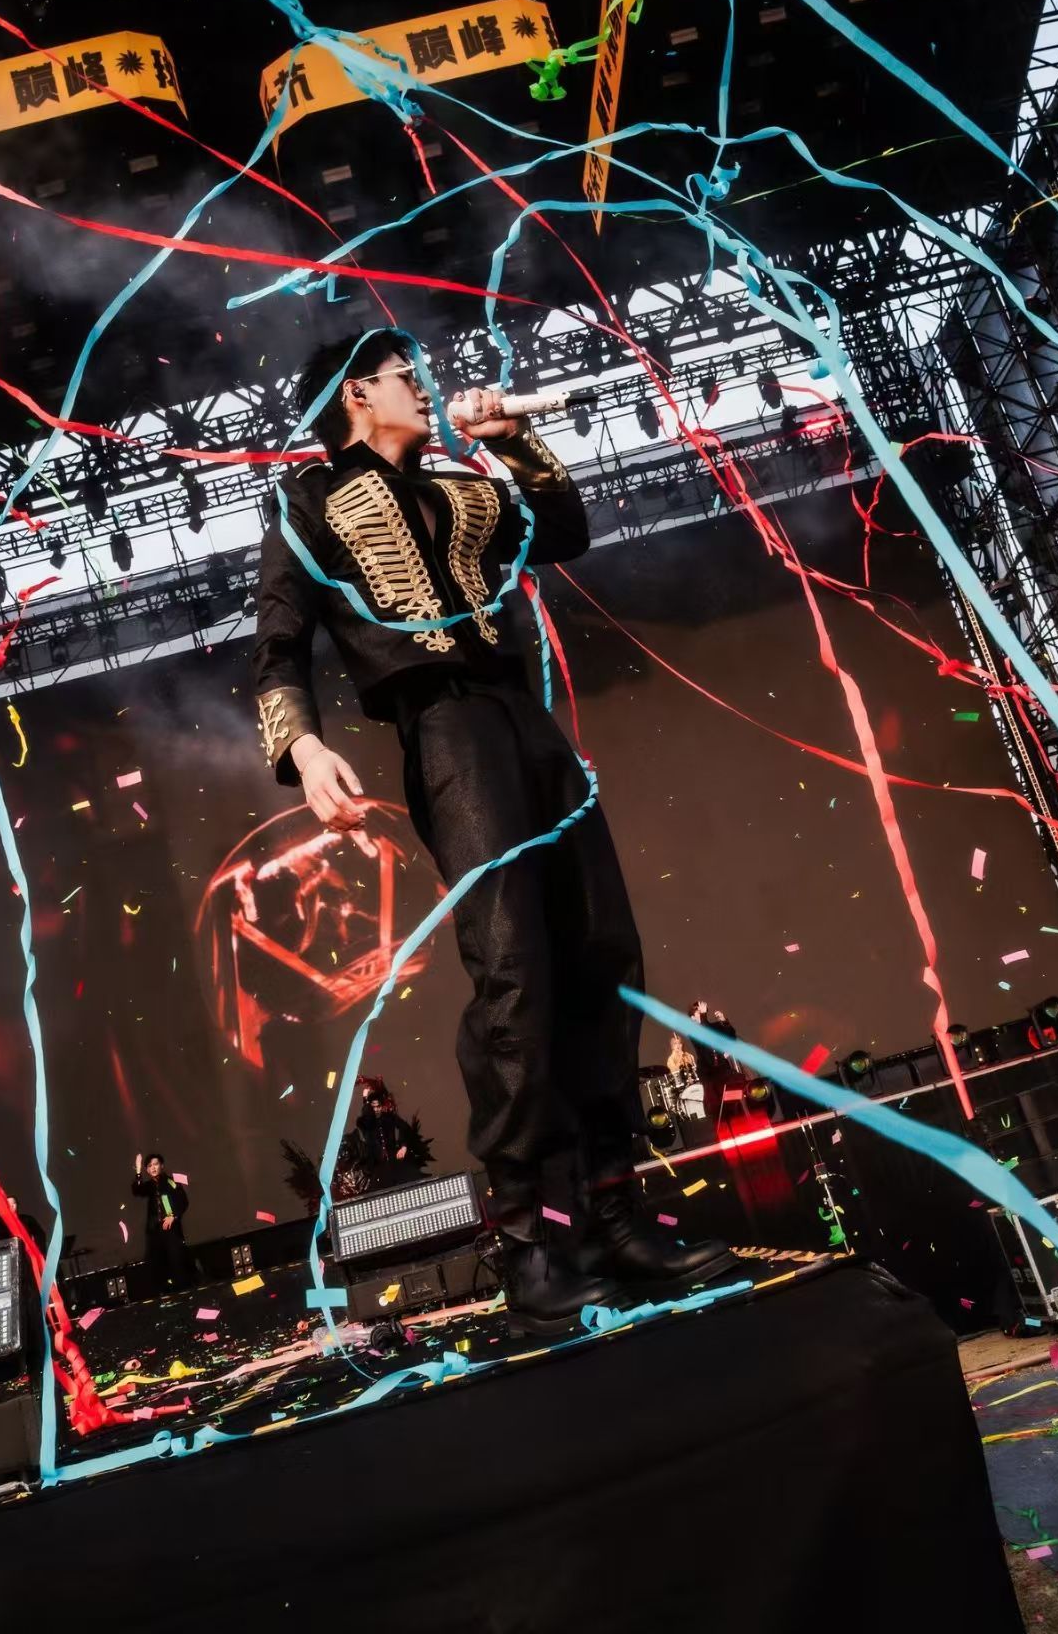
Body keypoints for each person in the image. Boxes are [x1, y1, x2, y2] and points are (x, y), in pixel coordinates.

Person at [252, 328, 732, 1334]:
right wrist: (301, 747)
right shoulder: (307, 501)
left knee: (601, 947)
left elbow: (565, 531)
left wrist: (512, 443)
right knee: (514, 967)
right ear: (356, 395)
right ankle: (532, 1241)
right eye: (404, 377)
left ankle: (613, 1215)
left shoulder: (463, 486)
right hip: (444, 729)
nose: (423, 389)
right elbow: (278, 641)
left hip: (523, 719)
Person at [131, 1152, 192, 1294]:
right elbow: (137, 1190)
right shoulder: (149, 1186)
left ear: (162, 1166)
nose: (153, 1168)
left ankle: (183, 1292)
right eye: (149, 1166)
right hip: (155, 1231)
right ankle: (162, 1293)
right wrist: (138, 1170)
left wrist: (173, 1216)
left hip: (171, 1230)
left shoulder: (170, 1181)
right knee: (156, 1263)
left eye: (155, 1164)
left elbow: (183, 1201)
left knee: (176, 1261)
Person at [355, 1077, 429, 1187]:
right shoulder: (366, 1122)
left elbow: (404, 1127)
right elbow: (366, 1119)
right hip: (376, 1165)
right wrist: (365, 1099)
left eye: (378, 1107)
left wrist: (403, 1146)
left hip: (394, 1159)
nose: (376, 1110)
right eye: (373, 1107)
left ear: (381, 1106)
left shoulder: (389, 1117)